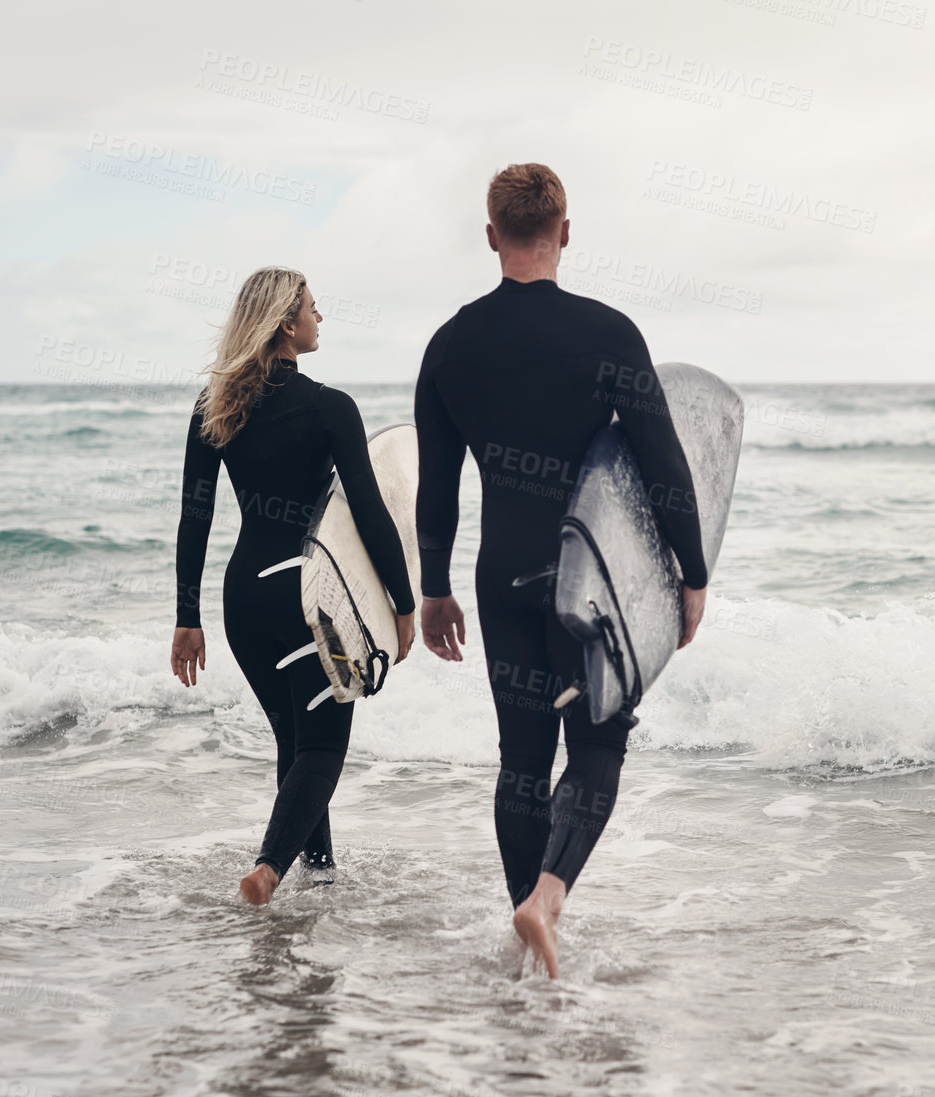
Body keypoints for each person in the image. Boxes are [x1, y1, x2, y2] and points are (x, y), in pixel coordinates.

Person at [415, 164, 708, 978]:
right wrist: (692, 571)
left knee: (520, 758)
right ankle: (546, 897)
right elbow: (663, 463)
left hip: (498, 569)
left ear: (489, 235)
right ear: (565, 231)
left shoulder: (449, 344)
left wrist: (432, 588)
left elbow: (437, 487)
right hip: (589, 576)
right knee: (600, 739)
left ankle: (525, 934)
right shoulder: (608, 332)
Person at [170, 266, 415, 905]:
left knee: (295, 741)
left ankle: (320, 876)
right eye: (312, 308)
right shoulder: (331, 408)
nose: (320, 318)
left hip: (244, 598)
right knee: (326, 745)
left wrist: (186, 618)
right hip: (306, 596)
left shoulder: (215, 407)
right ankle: (269, 870)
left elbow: (195, 516)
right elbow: (368, 510)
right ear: (286, 324)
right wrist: (403, 601)